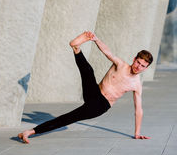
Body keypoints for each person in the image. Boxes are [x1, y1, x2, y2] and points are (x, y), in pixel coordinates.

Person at [18, 31, 153, 144]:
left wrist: (137, 133)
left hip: (101, 106)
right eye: (138, 62)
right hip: (93, 92)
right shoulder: (121, 65)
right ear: (134, 58)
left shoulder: (136, 85)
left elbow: (138, 110)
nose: (138, 67)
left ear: (146, 68)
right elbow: (108, 52)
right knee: (89, 71)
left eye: (142, 66)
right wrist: (96, 39)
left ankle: (29, 132)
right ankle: (76, 49)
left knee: (69, 118)